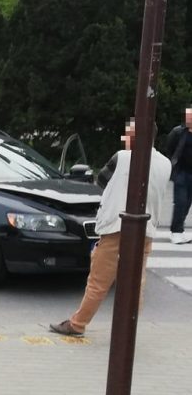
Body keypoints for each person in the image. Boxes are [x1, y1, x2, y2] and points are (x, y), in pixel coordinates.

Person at [50, 119, 171, 337]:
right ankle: (128, 328)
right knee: (135, 282)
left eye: (129, 133)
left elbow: (101, 181)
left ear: (136, 135)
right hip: (146, 229)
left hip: (118, 226)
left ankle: (77, 324)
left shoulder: (122, 157)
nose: (125, 137)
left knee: (98, 281)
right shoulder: (165, 163)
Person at [165, 106, 192, 244]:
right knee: (180, 202)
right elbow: (169, 149)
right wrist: (172, 166)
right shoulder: (178, 132)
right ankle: (175, 232)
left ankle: (180, 230)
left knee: (187, 203)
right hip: (180, 172)